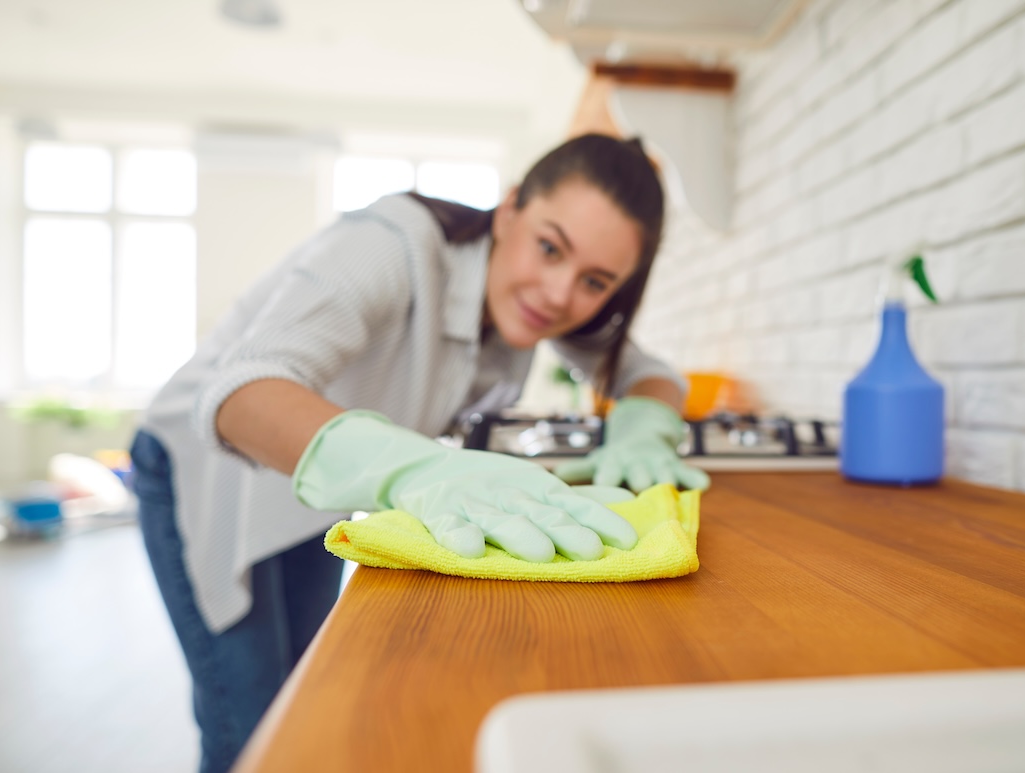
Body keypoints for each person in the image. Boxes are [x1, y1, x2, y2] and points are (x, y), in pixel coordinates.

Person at [128, 133, 709, 772]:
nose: (558, 293)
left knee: (304, 694)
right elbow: (240, 395)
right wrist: (419, 469)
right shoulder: (390, 243)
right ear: (510, 209)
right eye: (549, 247)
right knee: (249, 725)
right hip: (202, 470)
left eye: (594, 281)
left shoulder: (528, 308)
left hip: (311, 487)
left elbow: (650, 374)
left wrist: (644, 427)